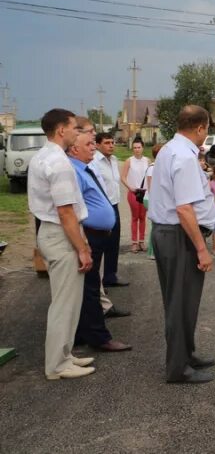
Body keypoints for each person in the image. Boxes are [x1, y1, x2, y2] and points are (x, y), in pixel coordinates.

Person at [148, 105, 215, 384]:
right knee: (180, 303)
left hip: (170, 234)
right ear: (200, 128)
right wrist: (202, 249)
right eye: (207, 128)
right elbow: (184, 209)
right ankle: (178, 368)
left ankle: (186, 354)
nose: (207, 133)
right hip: (179, 236)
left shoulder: (169, 150)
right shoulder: (184, 157)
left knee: (183, 302)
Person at [28, 109, 95, 380]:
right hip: (61, 234)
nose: (77, 133)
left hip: (53, 232)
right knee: (64, 304)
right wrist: (82, 248)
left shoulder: (43, 156)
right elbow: (65, 212)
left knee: (66, 301)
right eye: (74, 128)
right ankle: (57, 365)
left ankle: (64, 355)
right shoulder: (59, 163)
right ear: (60, 131)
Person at [67, 122, 132, 353]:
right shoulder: (73, 171)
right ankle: (98, 336)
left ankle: (83, 333)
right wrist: (83, 242)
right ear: (74, 149)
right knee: (90, 288)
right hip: (88, 236)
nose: (93, 147)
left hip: (98, 234)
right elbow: (71, 210)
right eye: (88, 143)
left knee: (90, 287)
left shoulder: (83, 167)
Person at [90, 132, 129, 288]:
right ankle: (96, 282)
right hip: (101, 207)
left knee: (114, 243)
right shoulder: (94, 162)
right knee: (100, 244)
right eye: (107, 142)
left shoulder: (113, 160)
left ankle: (110, 275)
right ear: (98, 145)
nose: (111, 145)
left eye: (112, 142)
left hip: (114, 205)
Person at [120, 138, 150, 253]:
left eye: (139, 147)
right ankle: (134, 242)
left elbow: (150, 176)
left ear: (143, 148)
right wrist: (130, 187)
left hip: (144, 193)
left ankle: (141, 241)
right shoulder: (129, 161)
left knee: (143, 217)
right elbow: (122, 177)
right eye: (135, 148)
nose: (137, 150)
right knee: (134, 217)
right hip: (133, 192)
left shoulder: (147, 161)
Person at [144, 144, 163, 261]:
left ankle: (157, 250)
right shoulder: (152, 167)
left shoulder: (160, 167)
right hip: (151, 199)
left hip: (157, 199)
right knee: (155, 225)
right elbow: (151, 188)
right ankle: (152, 252)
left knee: (158, 225)